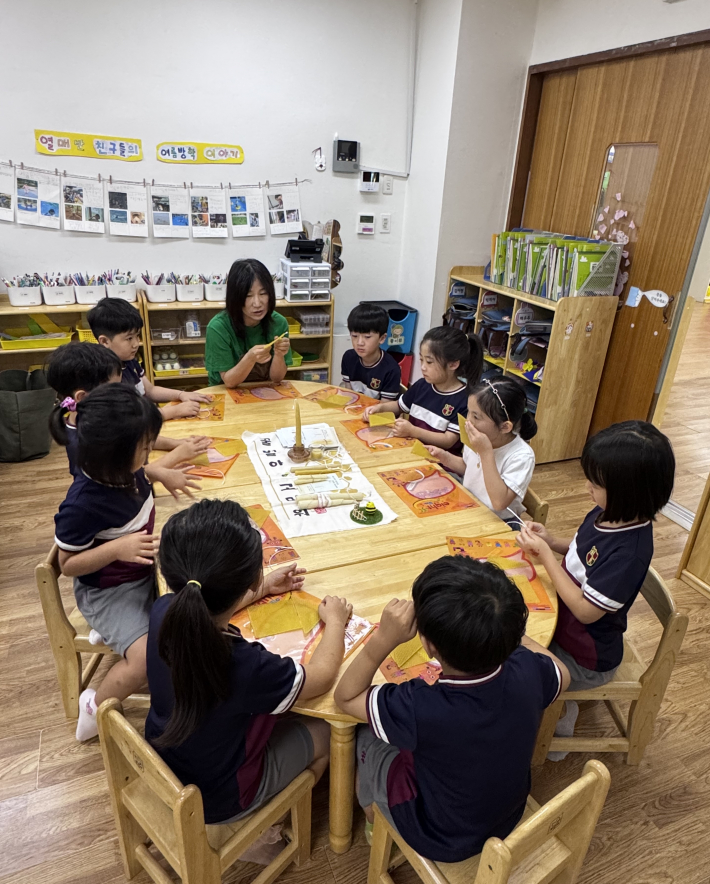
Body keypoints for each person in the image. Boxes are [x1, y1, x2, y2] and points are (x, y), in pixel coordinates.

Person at [334, 555, 569, 862]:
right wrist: (504, 633)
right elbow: (562, 674)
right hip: (506, 815)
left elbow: (347, 698)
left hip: (439, 836)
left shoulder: (420, 705)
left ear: (429, 645)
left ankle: (372, 817)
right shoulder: (527, 669)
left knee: (364, 734)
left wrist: (384, 638)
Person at [145, 498, 352, 825]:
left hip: (168, 759)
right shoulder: (246, 665)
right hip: (221, 797)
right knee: (329, 731)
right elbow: (323, 677)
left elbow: (206, 599)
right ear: (252, 577)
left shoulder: (164, 611)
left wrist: (260, 589)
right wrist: (337, 621)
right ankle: (266, 829)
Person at [516, 420, 675, 758]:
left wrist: (545, 557)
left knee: (510, 661)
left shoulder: (629, 551)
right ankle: (555, 703)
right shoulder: (607, 513)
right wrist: (550, 541)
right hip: (564, 624)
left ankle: (559, 714)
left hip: (586, 657)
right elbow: (579, 549)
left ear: (630, 492)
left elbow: (587, 612)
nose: (586, 486)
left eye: (596, 482)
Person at [54, 385, 163, 742]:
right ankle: (94, 705)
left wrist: (164, 473)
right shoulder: (83, 503)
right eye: (144, 448)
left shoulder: (126, 471)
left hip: (141, 572)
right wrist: (118, 549)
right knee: (146, 658)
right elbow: (68, 564)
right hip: (107, 591)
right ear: (112, 455)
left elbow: (144, 473)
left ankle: (121, 634)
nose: (148, 455)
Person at [46, 341, 210, 499]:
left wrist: (176, 444)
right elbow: (130, 475)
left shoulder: (101, 419)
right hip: (121, 509)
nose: (122, 393)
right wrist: (176, 456)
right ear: (82, 396)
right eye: (115, 388)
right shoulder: (92, 438)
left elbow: (136, 438)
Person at [426, 378, 536, 523]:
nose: (468, 421)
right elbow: (469, 468)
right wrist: (444, 456)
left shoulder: (522, 456)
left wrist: (485, 452)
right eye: (469, 412)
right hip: (470, 506)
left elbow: (499, 502)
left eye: (476, 416)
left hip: (500, 522)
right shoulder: (480, 437)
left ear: (505, 427)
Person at [87, 298, 213, 422]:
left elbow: (150, 390)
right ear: (104, 341)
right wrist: (174, 411)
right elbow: (129, 420)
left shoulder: (128, 360)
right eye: (129, 338)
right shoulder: (104, 377)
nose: (136, 343)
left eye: (137, 336)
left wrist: (181, 394)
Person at [364, 326, 483, 454]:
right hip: (410, 450)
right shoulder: (422, 385)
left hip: (438, 462)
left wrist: (413, 431)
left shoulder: (465, 399)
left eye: (429, 362)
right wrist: (380, 408)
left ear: (453, 364)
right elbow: (399, 406)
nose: (423, 367)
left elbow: (448, 440)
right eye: (421, 360)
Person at [205, 259, 292, 387]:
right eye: (248, 295)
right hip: (225, 392)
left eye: (263, 293)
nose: (257, 303)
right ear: (235, 297)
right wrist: (250, 358)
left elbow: (277, 379)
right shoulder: (218, 327)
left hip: (264, 391)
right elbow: (229, 382)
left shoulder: (278, 322)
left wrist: (279, 355)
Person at [341, 303, 401, 401]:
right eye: (354, 336)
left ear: (382, 338)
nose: (359, 343)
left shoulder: (391, 369)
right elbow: (349, 394)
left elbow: (384, 408)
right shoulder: (348, 357)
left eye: (367, 337)